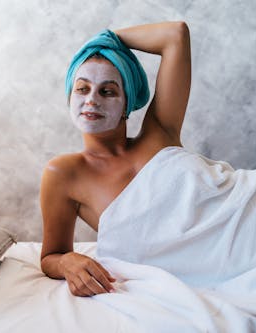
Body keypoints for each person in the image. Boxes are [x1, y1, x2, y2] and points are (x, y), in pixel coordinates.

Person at [40, 22, 192, 297]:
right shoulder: (64, 173)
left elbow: (175, 34)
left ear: (127, 102)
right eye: (82, 89)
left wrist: (104, 40)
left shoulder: (160, 134)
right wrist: (67, 261)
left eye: (107, 91)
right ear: (69, 97)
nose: (91, 100)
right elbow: (52, 255)